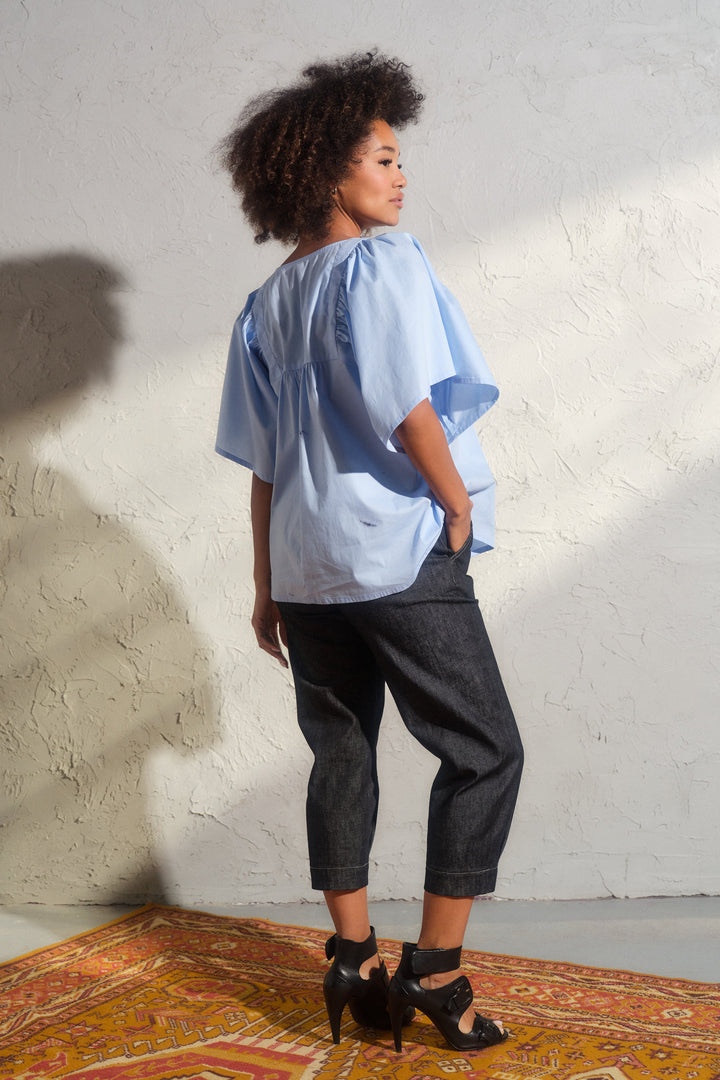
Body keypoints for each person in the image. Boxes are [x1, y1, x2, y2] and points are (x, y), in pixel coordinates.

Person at [216, 52, 523, 1054]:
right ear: (325, 171)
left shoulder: (266, 302)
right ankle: (436, 972)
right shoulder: (380, 265)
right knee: (484, 750)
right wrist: (453, 499)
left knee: (342, 750)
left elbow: (264, 462)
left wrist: (265, 585)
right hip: (393, 549)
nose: (400, 174)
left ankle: (353, 959)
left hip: (307, 566)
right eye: (382, 157)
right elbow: (405, 400)